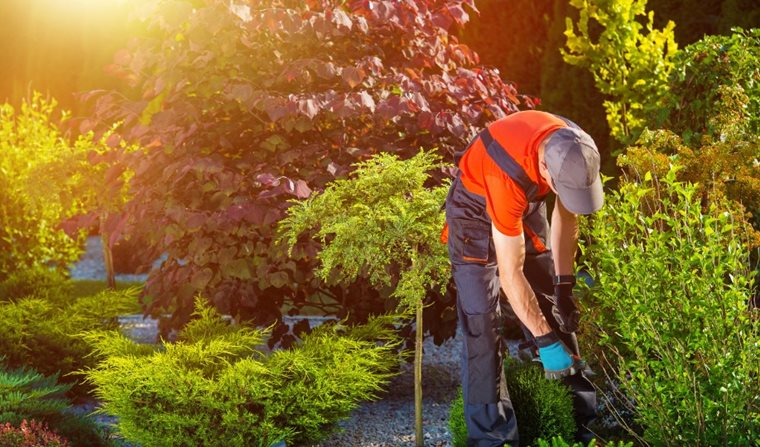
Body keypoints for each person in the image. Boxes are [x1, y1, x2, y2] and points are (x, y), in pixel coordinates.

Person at [442, 110, 603, 446]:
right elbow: (510, 274)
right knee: (482, 323)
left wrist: (564, 285)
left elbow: (566, 219)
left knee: (550, 303)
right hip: (475, 210)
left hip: (524, 205)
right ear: (545, 170)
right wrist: (544, 341)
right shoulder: (505, 177)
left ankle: (578, 426)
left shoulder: (574, 148)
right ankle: (492, 439)